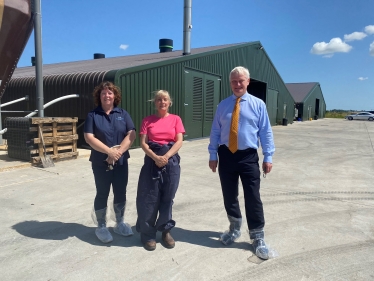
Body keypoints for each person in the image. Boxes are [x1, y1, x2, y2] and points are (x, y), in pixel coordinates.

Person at [208, 66, 275, 260]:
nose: (237, 84)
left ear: (248, 82)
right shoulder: (223, 105)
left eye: (241, 81)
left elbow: (266, 132)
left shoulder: (258, 104)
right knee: (229, 195)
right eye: (234, 81)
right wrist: (213, 154)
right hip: (226, 155)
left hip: (248, 156)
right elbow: (215, 131)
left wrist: (268, 156)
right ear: (230, 83)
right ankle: (234, 228)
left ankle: (257, 236)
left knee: (252, 196)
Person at [84, 81, 136, 243]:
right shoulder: (93, 115)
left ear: (115, 96)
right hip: (101, 162)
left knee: (120, 192)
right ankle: (101, 225)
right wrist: (109, 152)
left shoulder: (123, 114)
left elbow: (131, 134)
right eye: (103, 93)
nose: (107, 95)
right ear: (99, 97)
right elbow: (89, 137)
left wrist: (118, 152)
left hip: (120, 162)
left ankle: (119, 223)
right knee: (102, 193)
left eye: (110, 93)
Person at [136, 90, 185, 251]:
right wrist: (155, 157)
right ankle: (148, 234)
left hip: (170, 162)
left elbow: (179, 141)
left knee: (167, 198)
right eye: (158, 99)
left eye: (164, 99)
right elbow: (143, 143)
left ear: (169, 102)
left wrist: (166, 156)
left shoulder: (176, 119)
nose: (162, 102)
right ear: (155, 103)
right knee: (149, 198)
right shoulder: (147, 120)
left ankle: (165, 231)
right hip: (152, 162)